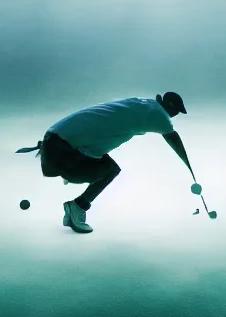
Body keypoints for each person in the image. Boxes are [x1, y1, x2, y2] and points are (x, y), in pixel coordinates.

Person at [15, 92, 197, 233]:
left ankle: (74, 204)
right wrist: (190, 169)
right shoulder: (159, 115)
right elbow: (174, 139)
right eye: (176, 112)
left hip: (57, 138)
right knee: (110, 171)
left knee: (109, 168)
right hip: (62, 147)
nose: (174, 117)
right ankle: (77, 208)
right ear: (171, 108)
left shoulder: (140, 104)